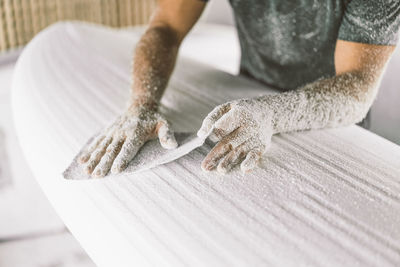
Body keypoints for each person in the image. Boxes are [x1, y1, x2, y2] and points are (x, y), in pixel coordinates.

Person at [79, 0, 400, 177]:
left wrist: (272, 114)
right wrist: (141, 103)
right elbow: (166, 27)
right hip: (247, 90)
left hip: (333, 115)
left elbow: (357, 83)